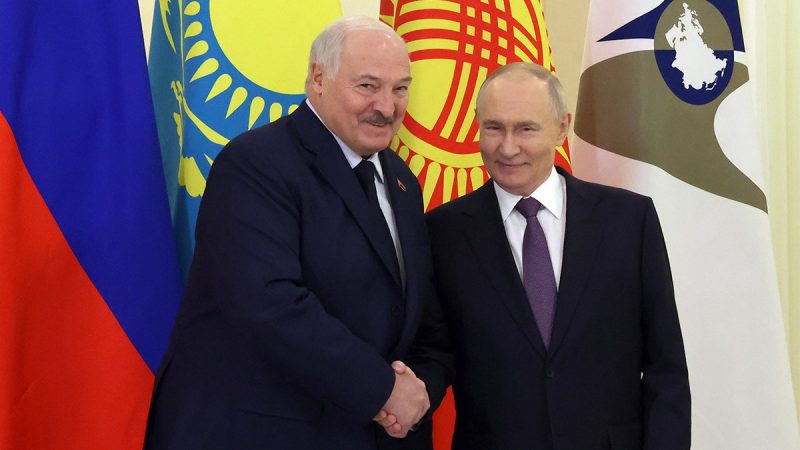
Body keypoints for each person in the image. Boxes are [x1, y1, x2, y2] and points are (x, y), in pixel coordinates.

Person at [144, 16, 435, 450]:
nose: (387, 107)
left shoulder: (401, 181)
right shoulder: (255, 164)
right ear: (318, 79)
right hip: (255, 433)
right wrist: (383, 390)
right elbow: (268, 303)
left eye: (400, 89)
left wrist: (414, 393)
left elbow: (414, 311)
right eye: (368, 86)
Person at [399, 62, 691, 449]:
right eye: (494, 128)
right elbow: (436, 349)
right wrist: (407, 394)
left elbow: (666, 367)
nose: (508, 147)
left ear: (561, 127)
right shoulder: (443, 232)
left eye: (526, 129)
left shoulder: (628, 221)